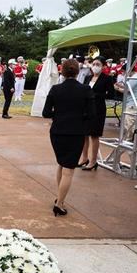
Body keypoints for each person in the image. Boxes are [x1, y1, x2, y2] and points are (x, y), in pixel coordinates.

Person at [43, 59, 95, 215]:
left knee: (61, 164)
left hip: (57, 131)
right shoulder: (85, 89)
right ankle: (59, 203)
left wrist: (59, 115)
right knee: (68, 169)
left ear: (63, 71)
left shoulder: (55, 89)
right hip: (75, 132)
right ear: (77, 71)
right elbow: (92, 114)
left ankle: (60, 198)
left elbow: (46, 113)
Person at [78, 57, 115, 170]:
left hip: (98, 109)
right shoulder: (88, 77)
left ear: (103, 66)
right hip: (86, 109)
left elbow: (111, 94)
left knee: (94, 135)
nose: (95, 66)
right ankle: (85, 158)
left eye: (98, 64)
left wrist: (96, 95)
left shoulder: (107, 78)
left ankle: (94, 161)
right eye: (93, 64)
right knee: (84, 134)